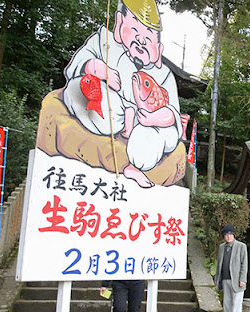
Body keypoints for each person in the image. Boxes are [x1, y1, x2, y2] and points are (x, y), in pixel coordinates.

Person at [63, 0, 183, 188]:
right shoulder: (103, 42)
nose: (142, 40)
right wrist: (95, 67)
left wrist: (153, 119)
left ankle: (136, 165)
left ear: (159, 49)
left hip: (144, 126)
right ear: (119, 23)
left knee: (163, 133)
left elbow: (173, 113)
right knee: (80, 87)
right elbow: (75, 67)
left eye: (150, 36)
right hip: (111, 110)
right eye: (136, 30)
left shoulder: (165, 75)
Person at [214, 225, 248, 312]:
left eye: (230, 234)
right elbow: (219, 264)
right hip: (225, 279)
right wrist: (216, 279)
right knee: (227, 304)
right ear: (223, 236)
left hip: (237, 280)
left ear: (233, 235)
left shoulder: (241, 246)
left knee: (236, 305)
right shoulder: (221, 247)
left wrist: (243, 279)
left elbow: (244, 264)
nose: (228, 236)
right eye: (226, 234)